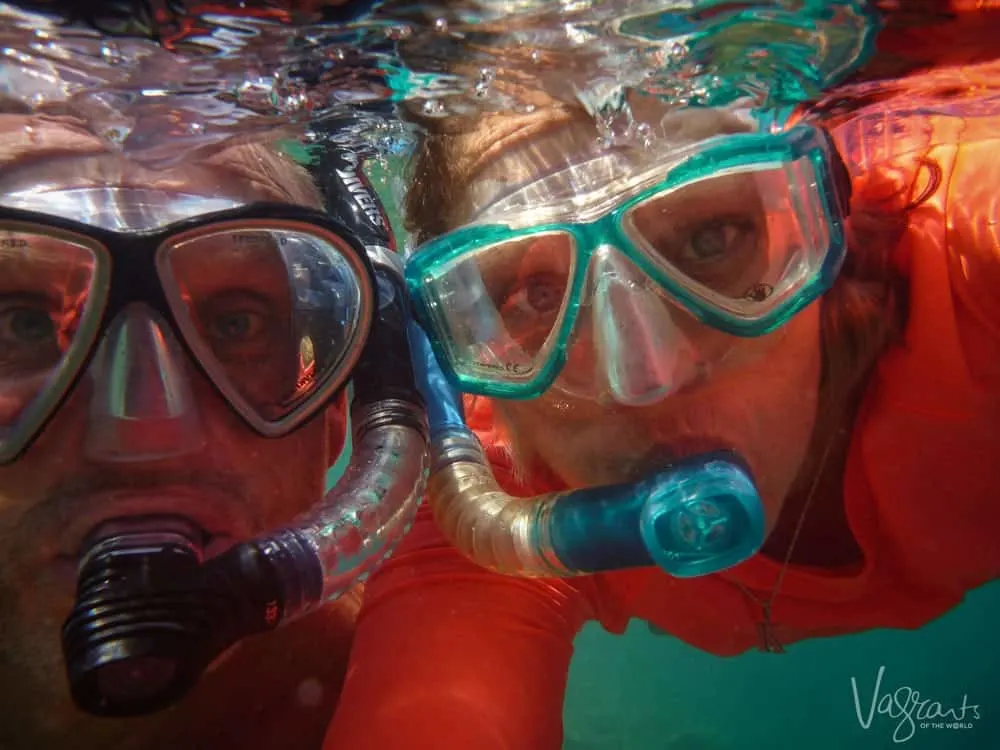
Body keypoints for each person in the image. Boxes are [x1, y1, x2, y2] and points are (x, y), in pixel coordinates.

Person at [323, 57, 1000, 749]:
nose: (647, 376)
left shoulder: (971, 268)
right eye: (536, 298)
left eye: (712, 239)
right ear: (458, 343)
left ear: (824, 221)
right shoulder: (493, 496)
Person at [0, 103, 427, 750]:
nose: (144, 436)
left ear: (336, 413)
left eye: (236, 325)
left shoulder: (411, 687)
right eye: (25, 325)